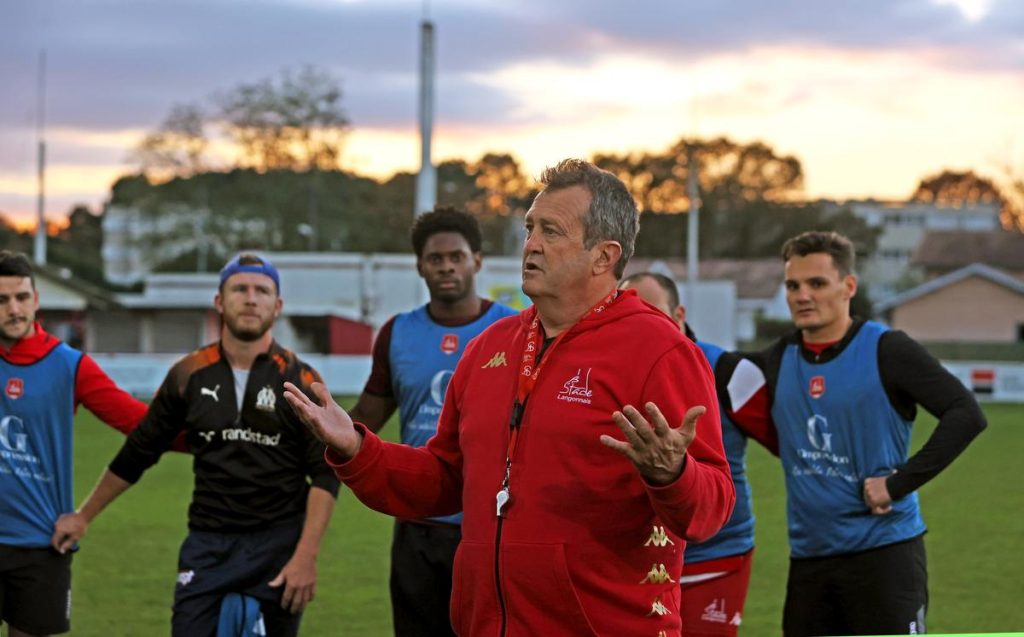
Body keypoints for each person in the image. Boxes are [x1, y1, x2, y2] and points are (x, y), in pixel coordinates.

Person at [285, 159, 735, 636]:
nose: (531, 245)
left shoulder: (660, 351)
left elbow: (712, 507)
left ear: (603, 257)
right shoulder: (490, 348)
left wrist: (672, 474)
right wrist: (357, 448)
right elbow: (445, 478)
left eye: (552, 231)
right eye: (529, 228)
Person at [52, 253, 340, 637]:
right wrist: (83, 516)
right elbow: (139, 451)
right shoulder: (187, 375)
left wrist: (306, 557)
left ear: (278, 306)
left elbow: (324, 472)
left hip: (280, 545)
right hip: (209, 542)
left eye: (262, 291)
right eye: (240, 289)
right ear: (220, 302)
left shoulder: (300, 379)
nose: (251, 298)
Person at [716, 230, 987, 636]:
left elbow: (966, 413)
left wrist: (898, 484)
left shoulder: (887, 350)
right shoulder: (778, 359)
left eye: (817, 283)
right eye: (793, 285)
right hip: (809, 560)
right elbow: (705, 364)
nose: (802, 295)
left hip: (884, 554)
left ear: (849, 286)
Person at [348, 206, 517, 636]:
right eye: (435, 258)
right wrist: (319, 428)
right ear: (420, 266)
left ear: (476, 260)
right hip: (418, 526)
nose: (446, 266)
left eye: (456, 256)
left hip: (489, 525)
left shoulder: (514, 329)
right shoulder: (397, 332)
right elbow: (368, 416)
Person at [0, 250, 150, 637]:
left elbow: (141, 424)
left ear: (36, 299)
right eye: (2, 300)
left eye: (21, 297)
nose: (14, 309)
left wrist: (216, 433)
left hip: (40, 544)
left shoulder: (69, 365)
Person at [620, 272, 755, 636]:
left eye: (654, 313)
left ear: (679, 314)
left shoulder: (727, 371)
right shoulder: (613, 370)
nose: (642, 325)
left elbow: (783, 438)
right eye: (630, 314)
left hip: (714, 553)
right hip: (638, 558)